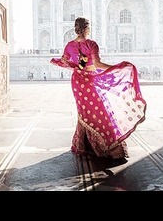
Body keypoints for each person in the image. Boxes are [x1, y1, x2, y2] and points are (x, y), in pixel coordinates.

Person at [50, 16, 147, 160]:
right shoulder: (91, 44)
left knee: (86, 111)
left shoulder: (69, 45)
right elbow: (98, 65)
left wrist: (75, 67)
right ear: (87, 28)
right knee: (99, 109)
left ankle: (85, 145)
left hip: (78, 81)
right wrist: (116, 67)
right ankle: (106, 145)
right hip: (89, 79)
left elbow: (64, 62)